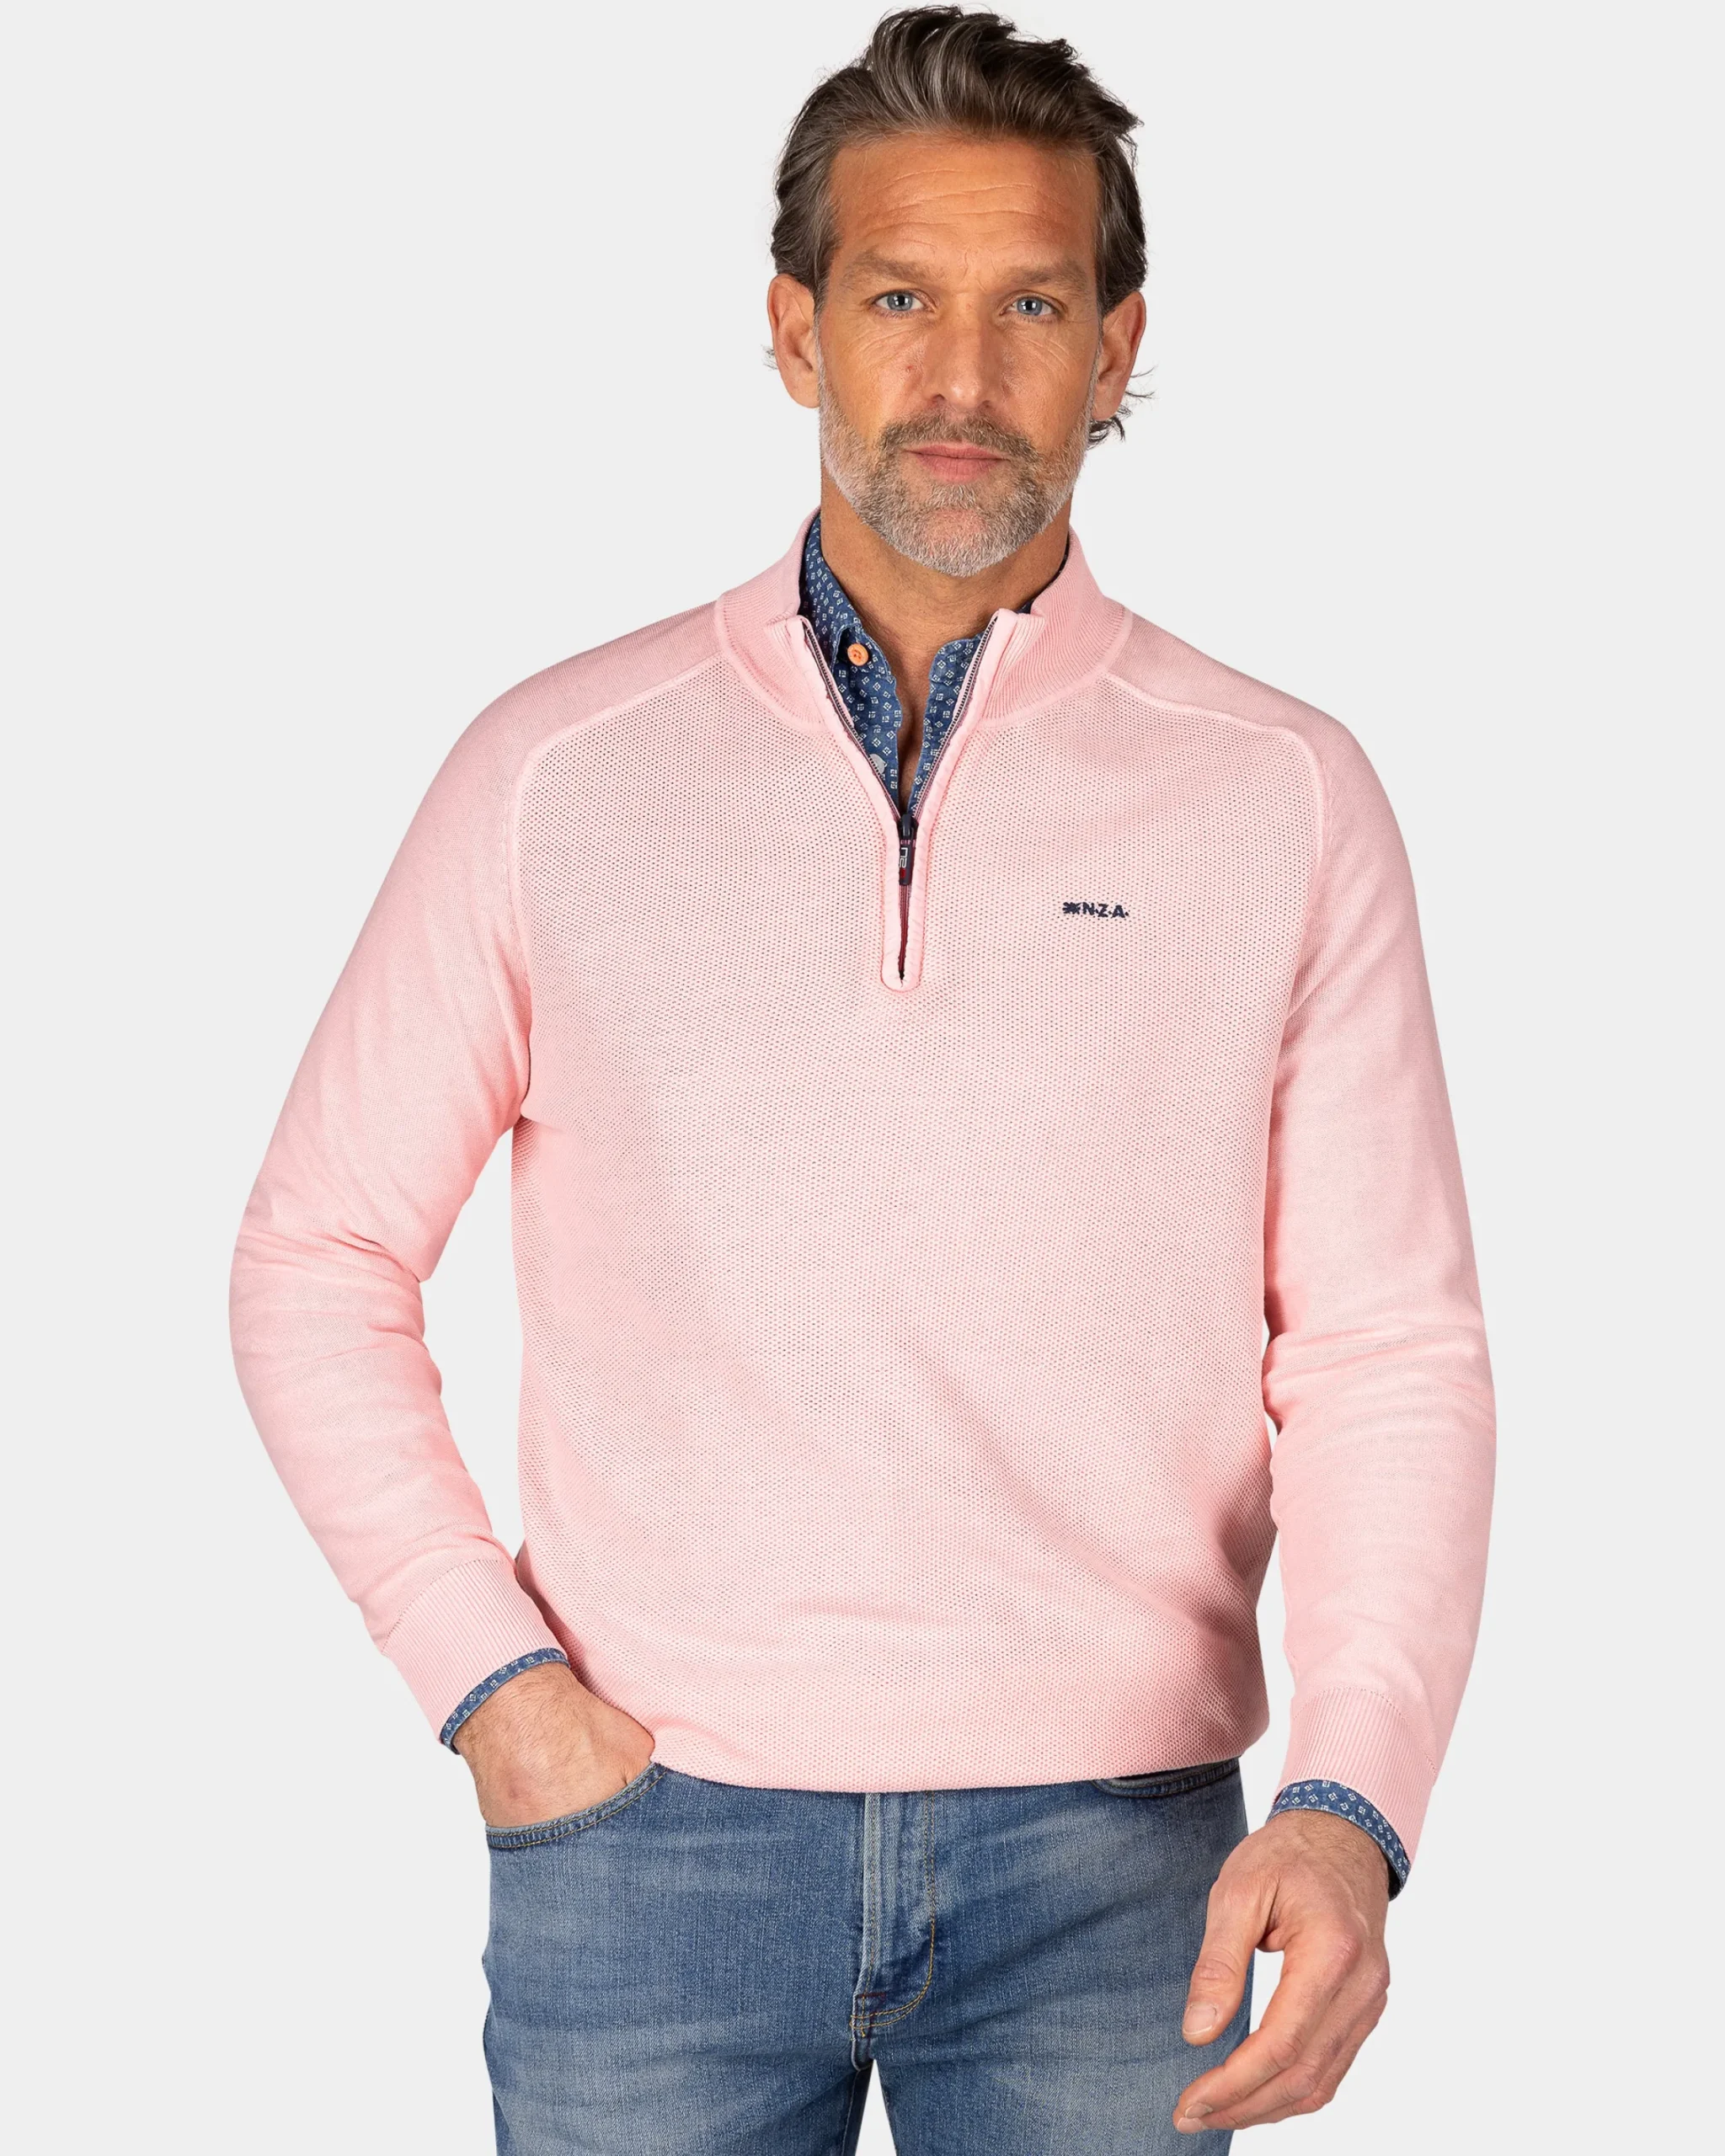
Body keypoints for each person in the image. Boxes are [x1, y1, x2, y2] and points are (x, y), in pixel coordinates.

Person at [229, 8, 1494, 2149]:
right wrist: (493, 1686)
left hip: (1125, 1868)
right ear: (796, 331)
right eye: (902, 299)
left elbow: (1384, 1345)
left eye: (1032, 307)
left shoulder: (1281, 791)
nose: (963, 376)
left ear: (1117, 348)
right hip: (649, 1835)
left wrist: (1353, 1796)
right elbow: (316, 1255)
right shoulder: (557, 774)